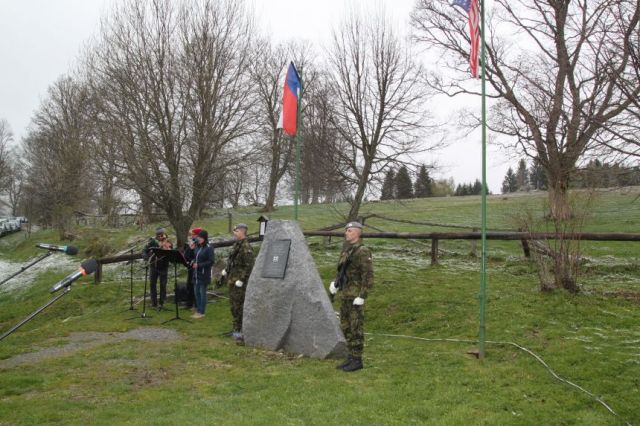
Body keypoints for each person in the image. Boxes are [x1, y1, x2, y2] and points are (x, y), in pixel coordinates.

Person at [328, 221, 373, 372]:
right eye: (346, 230)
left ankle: (357, 359)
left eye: (349, 230)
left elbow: (368, 276)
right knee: (346, 327)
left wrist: (362, 295)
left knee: (356, 328)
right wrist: (335, 284)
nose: (346, 233)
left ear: (357, 233)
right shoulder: (347, 251)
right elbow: (342, 273)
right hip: (345, 295)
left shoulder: (363, 251)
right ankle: (351, 357)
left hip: (355, 297)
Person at [221, 223, 255, 342]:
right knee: (234, 306)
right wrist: (227, 269)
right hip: (232, 280)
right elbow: (233, 260)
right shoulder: (237, 245)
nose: (234, 233)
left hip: (239, 282)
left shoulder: (246, 247)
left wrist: (242, 279)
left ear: (242, 232)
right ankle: (235, 330)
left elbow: (249, 266)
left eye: (236, 231)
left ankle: (240, 333)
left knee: (239, 307)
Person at [143, 227, 173, 310]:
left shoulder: (168, 241)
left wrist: (167, 247)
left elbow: (171, 253)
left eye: (162, 235)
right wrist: (146, 258)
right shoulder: (152, 241)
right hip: (153, 266)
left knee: (163, 285)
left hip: (163, 267)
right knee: (152, 284)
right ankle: (154, 303)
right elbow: (144, 250)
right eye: (158, 235)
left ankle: (162, 303)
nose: (160, 237)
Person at [191, 229, 213, 319]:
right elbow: (195, 257)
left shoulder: (209, 247)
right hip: (196, 274)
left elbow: (211, 261)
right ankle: (198, 310)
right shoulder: (197, 246)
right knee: (196, 293)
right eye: (198, 237)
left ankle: (202, 312)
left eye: (200, 237)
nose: (198, 239)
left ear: (204, 238)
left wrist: (199, 265)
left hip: (204, 274)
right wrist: (193, 262)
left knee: (202, 293)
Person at [182, 227, 201, 310]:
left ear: (197, 235)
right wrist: (189, 248)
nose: (191, 236)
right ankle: (189, 304)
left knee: (196, 287)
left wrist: (193, 249)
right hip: (190, 267)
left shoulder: (200, 244)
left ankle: (197, 305)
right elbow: (186, 256)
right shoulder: (192, 243)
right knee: (189, 285)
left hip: (197, 268)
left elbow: (198, 256)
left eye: (193, 235)